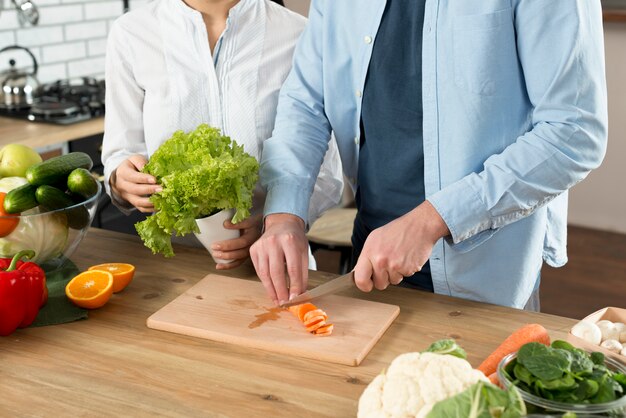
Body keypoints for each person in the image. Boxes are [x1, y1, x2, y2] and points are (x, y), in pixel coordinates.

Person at [250, 0, 608, 309]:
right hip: (371, 263)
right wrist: (284, 215)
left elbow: (574, 133)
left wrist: (429, 221)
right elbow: (306, 103)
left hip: (485, 282)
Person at [101, 0, 343, 270]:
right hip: (171, 272)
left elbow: (326, 176)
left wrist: (275, 222)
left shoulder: (297, 33)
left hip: (275, 264)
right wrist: (122, 180)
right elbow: (119, 153)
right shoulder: (131, 33)